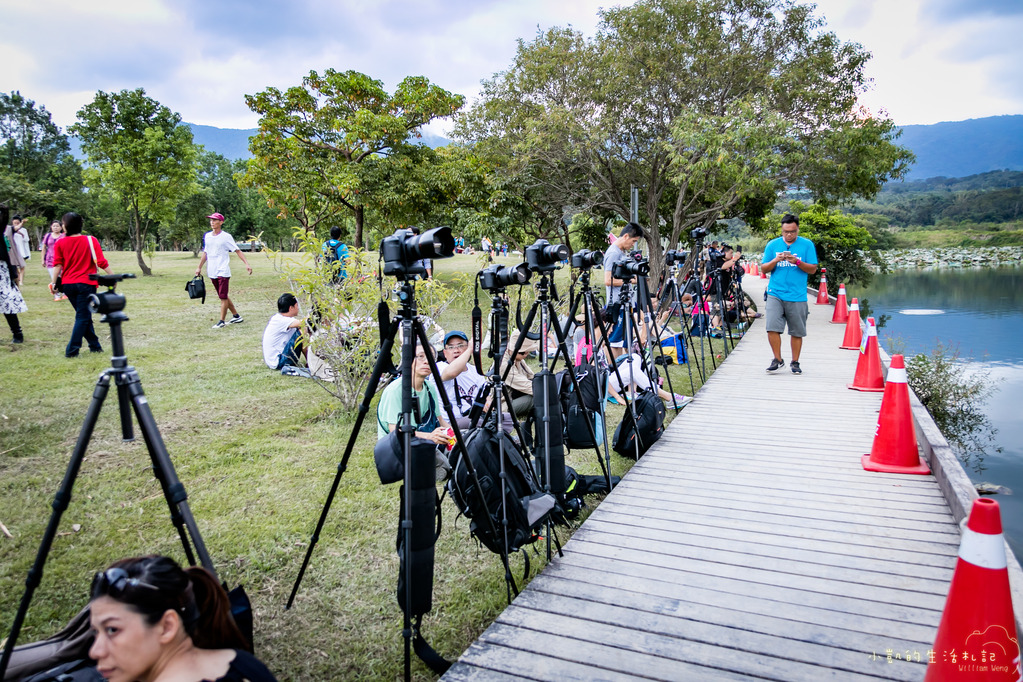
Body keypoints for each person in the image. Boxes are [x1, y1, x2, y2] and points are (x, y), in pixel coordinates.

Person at [88, 555, 277, 682]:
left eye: (112, 630)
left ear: (167, 626)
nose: (95, 651)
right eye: (96, 632)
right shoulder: (242, 662)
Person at [761, 213, 818, 374]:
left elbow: (813, 269)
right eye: (786, 232)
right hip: (775, 292)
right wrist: (775, 260)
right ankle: (778, 359)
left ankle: (795, 362)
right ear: (782, 230)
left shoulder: (807, 245)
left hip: (797, 295)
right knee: (772, 327)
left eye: (792, 231)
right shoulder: (773, 245)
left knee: (797, 331)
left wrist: (797, 261)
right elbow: (764, 269)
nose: (789, 235)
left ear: (798, 229)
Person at [50, 212, 112, 357]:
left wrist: (53, 283)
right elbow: (101, 262)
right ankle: (72, 351)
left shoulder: (60, 242)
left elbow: (57, 265)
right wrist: (112, 276)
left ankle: (95, 346)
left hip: (68, 285)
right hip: (86, 285)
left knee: (83, 316)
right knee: (83, 317)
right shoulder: (91, 240)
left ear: (66, 226)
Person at [376, 342, 450, 443]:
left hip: (422, 443)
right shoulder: (395, 390)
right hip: (396, 446)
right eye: (420, 356)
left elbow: (439, 420)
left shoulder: (429, 387)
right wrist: (430, 436)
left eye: (431, 357)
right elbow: (395, 430)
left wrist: (456, 435)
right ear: (408, 359)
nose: (427, 361)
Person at [195, 212, 252, 329]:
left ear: (221, 222)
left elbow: (237, 250)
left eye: (215, 220)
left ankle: (221, 321)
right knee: (223, 296)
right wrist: (199, 267)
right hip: (212, 271)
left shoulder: (226, 237)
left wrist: (246, 264)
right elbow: (206, 252)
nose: (212, 222)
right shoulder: (207, 236)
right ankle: (236, 316)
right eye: (211, 220)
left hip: (223, 270)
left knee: (223, 297)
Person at [603, 222, 646, 358]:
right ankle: (614, 368)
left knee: (624, 343)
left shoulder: (621, 252)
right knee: (615, 343)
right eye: (633, 241)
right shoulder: (613, 253)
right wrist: (631, 280)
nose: (633, 245)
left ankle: (622, 367)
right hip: (618, 305)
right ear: (626, 236)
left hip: (626, 303)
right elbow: (608, 280)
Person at [432, 331, 486, 430]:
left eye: (460, 346)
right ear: (445, 353)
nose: (456, 350)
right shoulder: (439, 367)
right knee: (479, 422)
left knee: (507, 418)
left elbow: (485, 394)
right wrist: (469, 350)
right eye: (451, 347)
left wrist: (487, 402)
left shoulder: (475, 371)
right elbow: (451, 373)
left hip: (476, 416)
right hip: (451, 423)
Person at [1, 205, 27, 343]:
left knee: (7, 302)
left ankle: (17, 333)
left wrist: (4, 209)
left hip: (2, 270)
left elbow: (3, 221)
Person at [500, 330, 538, 419]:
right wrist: (547, 390)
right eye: (523, 352)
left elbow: (531, 376)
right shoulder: (504, 364)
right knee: (536, 398)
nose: (526, 355)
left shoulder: (516, 358)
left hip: (515, 395)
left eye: (528, 351)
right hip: (504, 404)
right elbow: (526, 386)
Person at [262, 293, 306, 371]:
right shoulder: (280, 320)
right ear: (291, 308)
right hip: (279, 361)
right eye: (297, 305)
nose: (298, 308)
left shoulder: (281, 318)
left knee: (302, 329)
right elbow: (305, 323)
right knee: (303, 330)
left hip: (277, 360)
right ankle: (311, 363)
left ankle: (311, 361)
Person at [40, 219, 66, 300]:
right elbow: (44, 248)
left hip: (62, 260)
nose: (55, 228)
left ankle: (64, 293)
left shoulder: (63, 236)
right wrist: (42, 260)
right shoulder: (47, 236)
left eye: (57, 226)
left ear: (61, 227)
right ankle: (56, 295)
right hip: (50, 260)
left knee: (63, 277)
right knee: (54, 277)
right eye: (54, 226)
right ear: (51, 227)